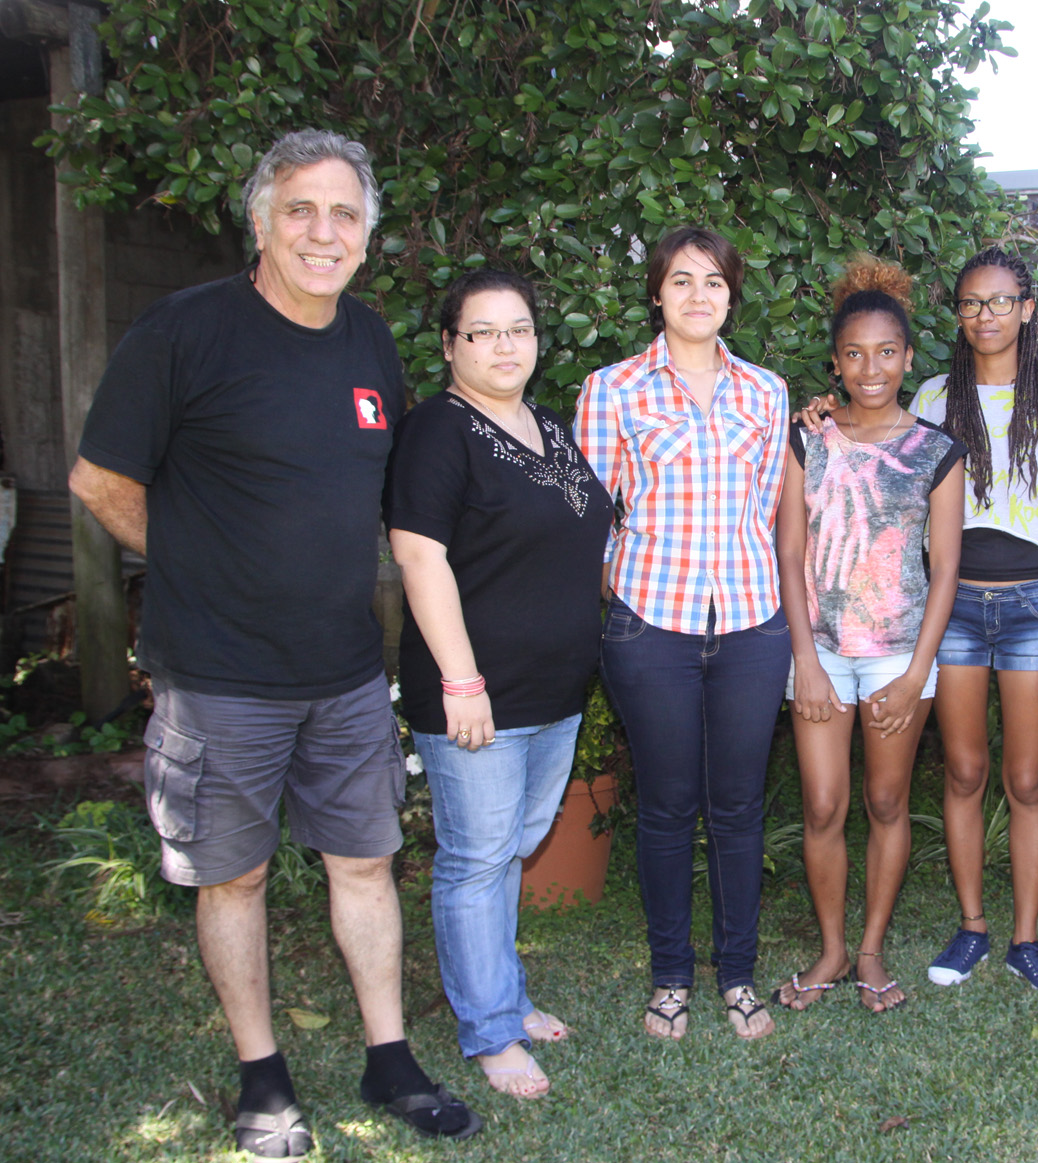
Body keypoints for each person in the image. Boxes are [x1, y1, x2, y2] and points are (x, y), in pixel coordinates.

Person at [67, 129, 480, 1158]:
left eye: (343, 213)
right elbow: (99, 480)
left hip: (344, 668)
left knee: (365, 860)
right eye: (299, 208)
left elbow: (387, 498)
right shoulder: (185, 332)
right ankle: (263, 1075)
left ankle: (390, 1056)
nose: (321, 230)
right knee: (234, 875)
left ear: (367, 236)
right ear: (260, 220)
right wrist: (200, 559)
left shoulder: (370, 342)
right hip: (216, 676)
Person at [385, 270, 613, 1097]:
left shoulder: (547, 428)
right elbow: (419, 555)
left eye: (517, 328)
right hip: (476, 689)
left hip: (553, 688)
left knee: (510, 848)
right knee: (478, 857)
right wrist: (461, 678)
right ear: (450, 346)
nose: (503, 345)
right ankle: (488, 1030)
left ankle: (505, 996)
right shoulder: (437, 432)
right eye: (481, 331)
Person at [573, 226, 791, 1041]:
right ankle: (671, 976)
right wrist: (623, 602)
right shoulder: (613, 388)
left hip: (748, 624)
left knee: (736, 807)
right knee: (665, 807)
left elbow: (768, 511)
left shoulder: (766, 393)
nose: (698, 295)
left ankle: (738, 975)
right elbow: (591, 519)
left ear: (732, 294)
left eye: (714, 281)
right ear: (656, 293)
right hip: (650, 627)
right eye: (680, 280)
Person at [770, 257, 964, 1014]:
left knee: (886, 801)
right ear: (835, 362)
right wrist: (802, 660)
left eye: (887, 352)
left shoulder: (937, 449)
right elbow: (790, 551)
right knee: (822, 804)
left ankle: (874, 946)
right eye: (854, 353)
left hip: (898, 653)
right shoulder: (807, 437)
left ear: (910, 358)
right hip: (819, 647)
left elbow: (945, 567)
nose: (871, 367)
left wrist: (918, 672)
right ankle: (831, 948)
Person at [911, 246, 1038, 1000]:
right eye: (969, 303)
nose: (984, 316)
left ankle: (1026, 938)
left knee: (1026, 777)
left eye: (999, 302)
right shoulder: (931, 398)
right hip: (952, 605)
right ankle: (973, 925)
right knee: (963, 769)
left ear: (1027, 308)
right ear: (957, 315)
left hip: (1032, 607)